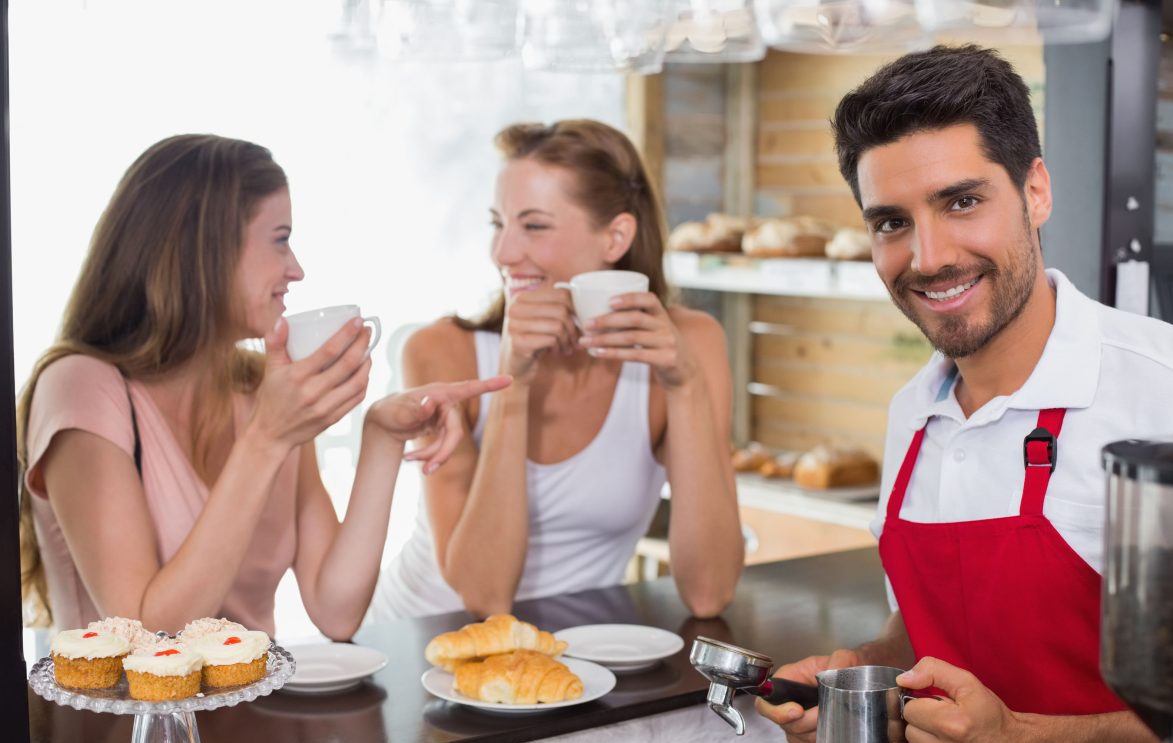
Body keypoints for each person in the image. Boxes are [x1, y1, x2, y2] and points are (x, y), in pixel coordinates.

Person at [755, 45, 1173, 743]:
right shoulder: (912, 413)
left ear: (1035, 191)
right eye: (891, 222)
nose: (928, 258)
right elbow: (924, 630)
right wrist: (863, 674)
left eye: (961, 202)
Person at [17, 134, 510, 640]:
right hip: (129, 697)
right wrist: (268, 437)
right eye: (280, 238)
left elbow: (336, 609)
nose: (296, 269)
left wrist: (383, 436)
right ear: (204, 250)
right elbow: (146, 640)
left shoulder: (262, 389)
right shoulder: (80, 387)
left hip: (255, 694)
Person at [370, 119, 743, 620]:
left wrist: (685, 385)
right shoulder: (443, 352)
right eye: (498, 224)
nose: (502, 253)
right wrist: (514, 381)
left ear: (615, 238)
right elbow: (484, 596)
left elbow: (708, 593)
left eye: (534, 226)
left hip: (568, 650)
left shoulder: (691, 345)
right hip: (419, 638)